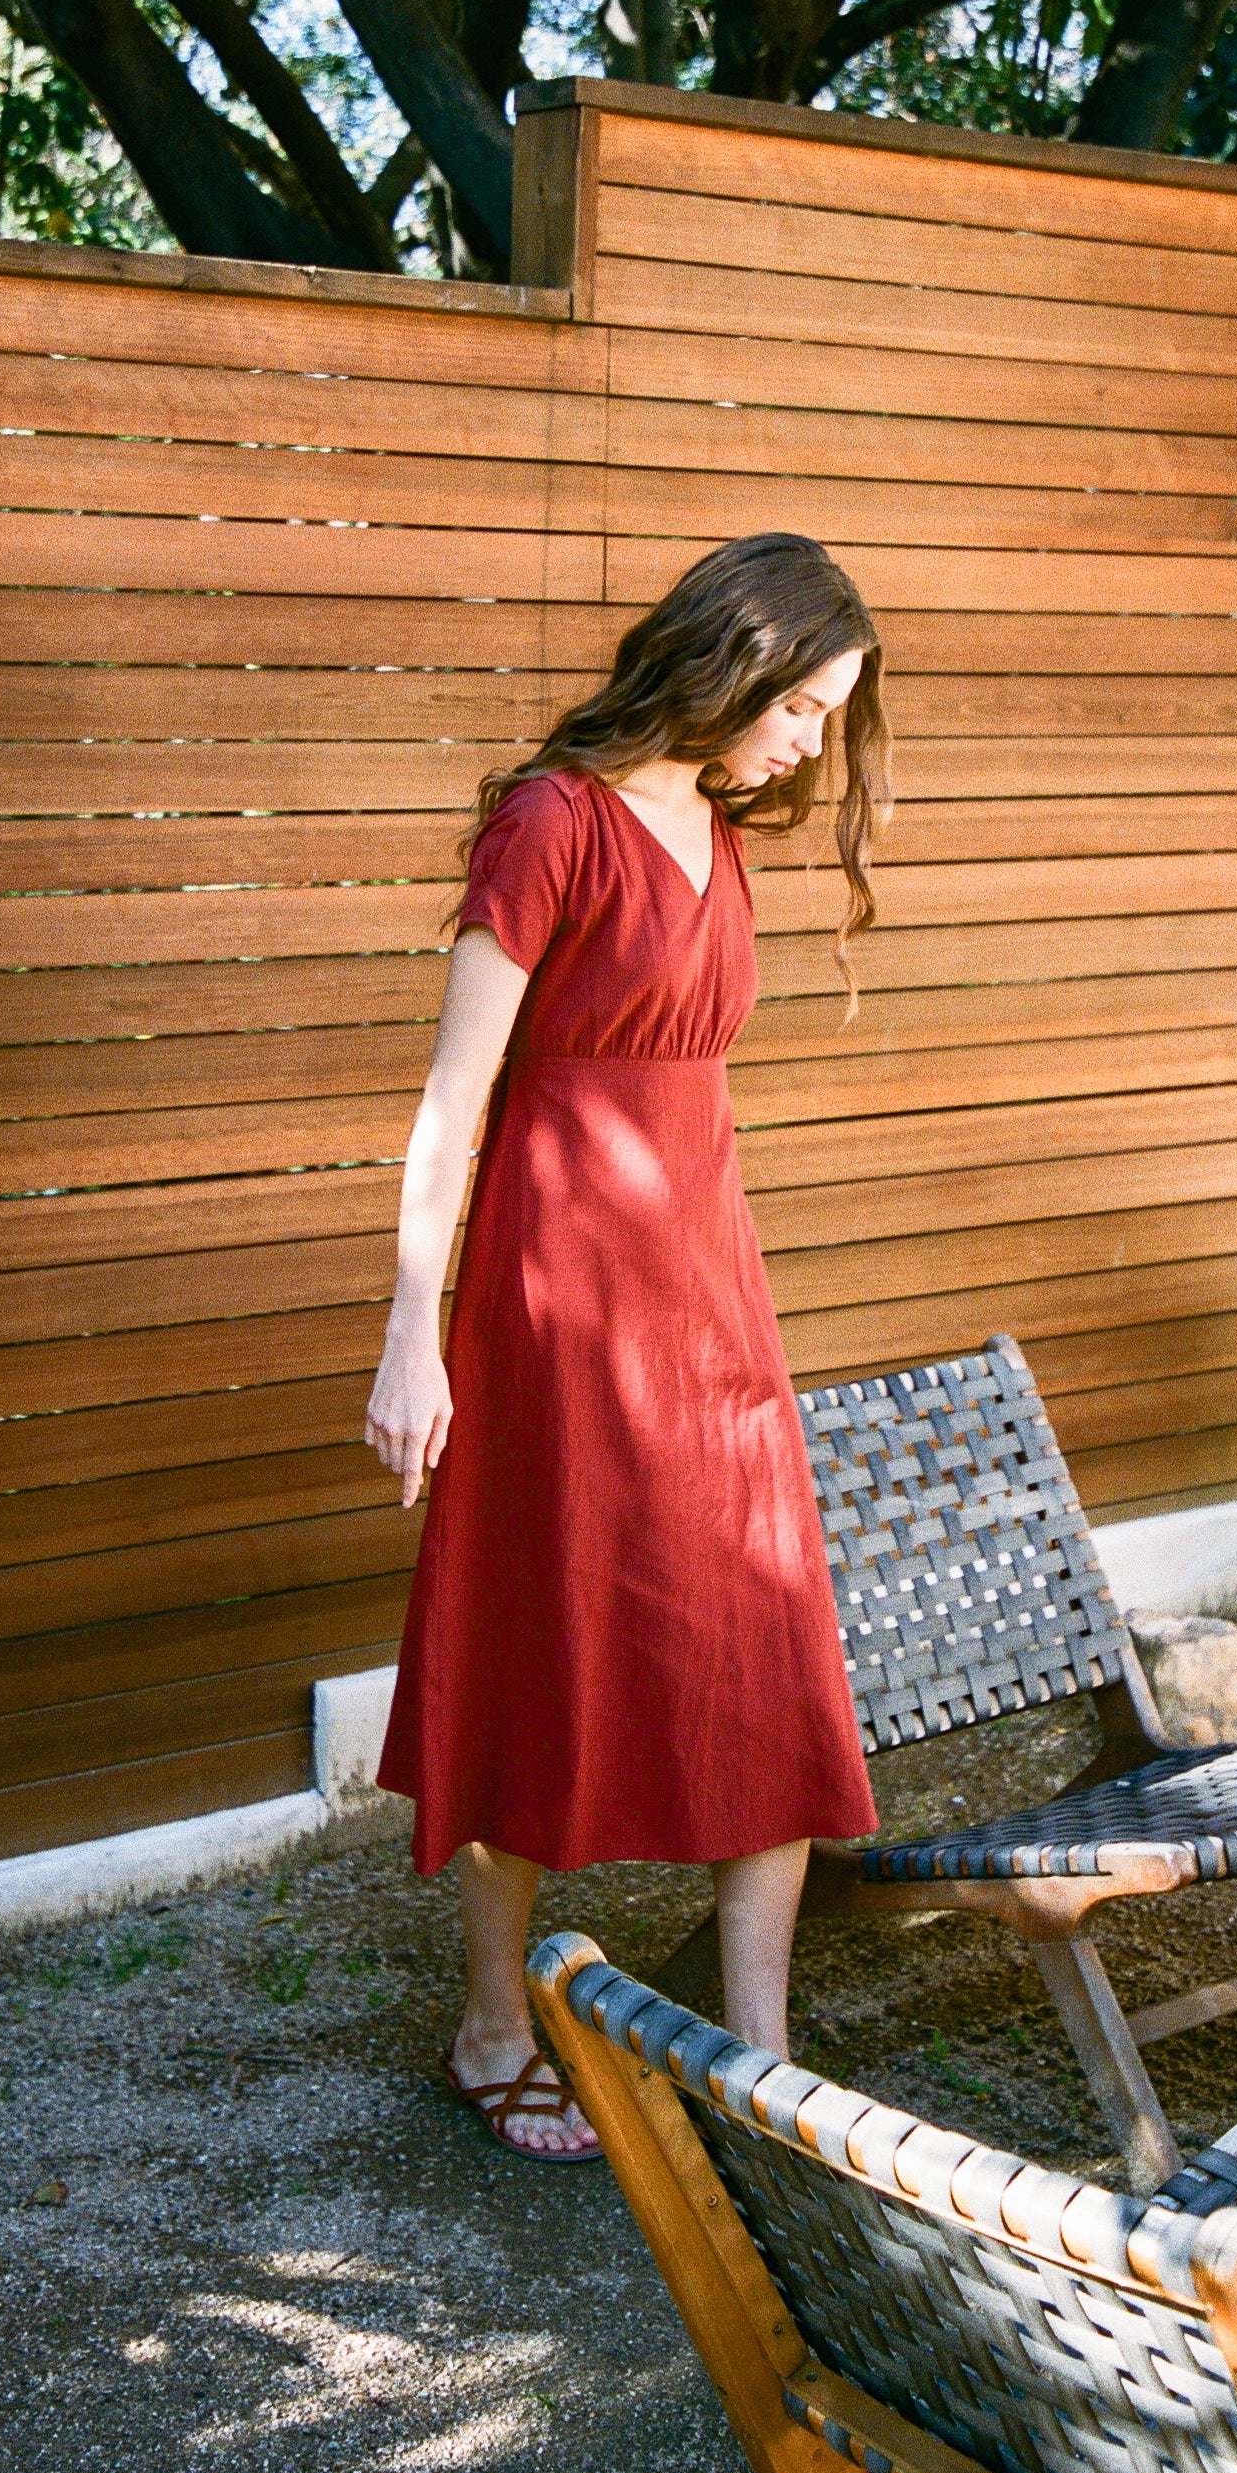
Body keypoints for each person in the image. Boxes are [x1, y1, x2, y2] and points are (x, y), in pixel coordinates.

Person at [363, 533, 890, 2159]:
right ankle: (489, 2019)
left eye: (828, 715)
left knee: (768, 1646)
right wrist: (410, 1332)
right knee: (546, 1637)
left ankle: (764, 2065)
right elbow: (453, 1103)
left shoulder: (719, 836)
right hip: (555, 1300)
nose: (809, 741)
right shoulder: (553, 822)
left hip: (708, 1298)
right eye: (800, 705)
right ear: (729, 661)